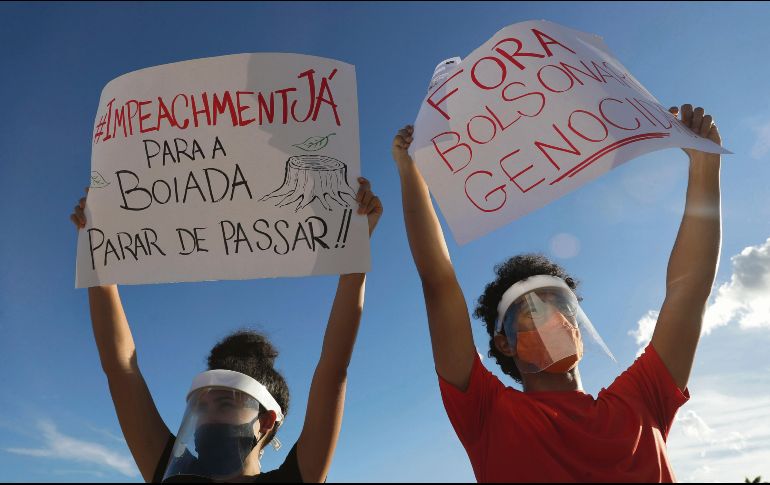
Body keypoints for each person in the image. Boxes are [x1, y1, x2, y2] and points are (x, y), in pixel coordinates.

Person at [392, 103, 722, 482]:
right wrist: (411, 171)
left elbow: (688, 291)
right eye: (533, 311)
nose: (558, 320)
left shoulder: (641, 399)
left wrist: (704, 163)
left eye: (563, 307)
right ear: (504, 343)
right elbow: (439, 283)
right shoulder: (488, 413)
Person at [70, 177, 383, 483]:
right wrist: (99, 252)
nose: (207, 418)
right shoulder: (176, 476)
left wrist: (355, 257)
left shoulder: (295, 478)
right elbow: (121, 369)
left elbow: (334, 367)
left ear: (266, 421)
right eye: (202, 406)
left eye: (224, 404)